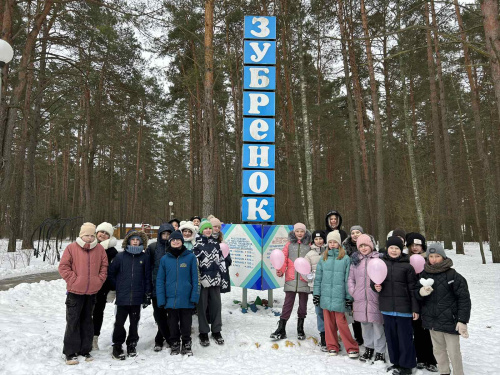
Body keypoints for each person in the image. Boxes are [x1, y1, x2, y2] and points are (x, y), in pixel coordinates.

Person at [416, 243, 471, 375]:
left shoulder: (453, 276)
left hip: (450, 321)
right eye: (431, 256)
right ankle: (444, 372)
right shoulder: (423, 274)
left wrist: (462, 320)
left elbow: (464, 299)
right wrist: (421, 293)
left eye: (437, 256)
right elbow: (416, 295)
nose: (433, 259)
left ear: (443, 257)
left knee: (454, 352)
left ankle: (458, 373)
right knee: (438, 351)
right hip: (432, 321)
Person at [59, 222, 108, 365]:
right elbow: (63, 267)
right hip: (75, 292)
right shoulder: (71, 248)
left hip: (91, 292)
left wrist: (99, 281)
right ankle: (70, 352)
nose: (89, 238)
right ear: (81, 235)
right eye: (87, 235)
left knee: (87, 321)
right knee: (73, 321)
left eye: (92, 235)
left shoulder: (99, 249)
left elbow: (104, 267)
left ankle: (85, 349)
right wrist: (74, 280)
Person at [372, 236, 419, 375]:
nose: (394, 250)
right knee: (391, 338)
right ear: (387, 248)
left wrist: (415, 309)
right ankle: (396, 362)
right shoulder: (381, 263)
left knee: (405, 338)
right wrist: (376, 287)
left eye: (397, 248)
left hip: (404, 309)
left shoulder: (407, 266)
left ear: (401, 249)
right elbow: (373, 281)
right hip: (387, 308)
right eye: (391, 248)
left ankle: (407, 365)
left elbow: (413, 289)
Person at [313, 230, 359, 358]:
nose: (332, 244)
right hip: (326, 296)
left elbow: (348, 279)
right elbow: (318, 278)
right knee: (328, 323)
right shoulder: (324, 258)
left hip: (339, 297)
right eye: (330, 242)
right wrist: (317, 294)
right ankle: (332, 345)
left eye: (335, 242)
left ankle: (351, 347)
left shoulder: (345, 259)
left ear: (339, 243)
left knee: (341, 323)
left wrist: (349, 297)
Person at [108, 230, 151, 360]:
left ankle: (132, 344)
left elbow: (147, 277)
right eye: (133, 239)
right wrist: (118, 286)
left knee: (134, 323)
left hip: (137, 298)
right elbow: (111, 273)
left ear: (141, 242)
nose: (135, 241)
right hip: (122, 298)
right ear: (128, 241)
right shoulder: (120, 257)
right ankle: (117, 345)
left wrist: (147, 292)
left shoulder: (145, 258)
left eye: (138, 240)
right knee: (119, 323)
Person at [156, 231, 200, 356]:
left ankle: (186, 343)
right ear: (170, 242)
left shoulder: (190, 257)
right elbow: (160, 280)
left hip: (186, 298)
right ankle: (174, 342)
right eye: (173, 240)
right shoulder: (165, 259)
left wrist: (194, 296)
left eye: (178, 240)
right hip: (170, 299)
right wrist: (161, 299)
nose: (176, 242)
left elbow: (196, 278)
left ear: (182, 242)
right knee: (172, 323)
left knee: (186, 324)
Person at [348, 234, 386, 363]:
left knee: (377, 325)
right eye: (361, 246)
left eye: (366, 245)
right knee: (365, 324)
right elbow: (350, 279)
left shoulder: (378, 259)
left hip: (375, 298)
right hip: (360, 299)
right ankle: (368, 348)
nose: (364, 248)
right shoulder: (355, 261)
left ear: (371, 246)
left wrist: (380, 290)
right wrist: (353, 292)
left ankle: (380, 351)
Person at [270, 223, 311, 341]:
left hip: (304, 280)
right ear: (294, 232)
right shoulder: (288, 245)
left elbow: (312, 260)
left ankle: (300, 328)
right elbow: (283, 259)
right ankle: (281, 328)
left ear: (305, 232)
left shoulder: (309, 245)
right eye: (297, 231)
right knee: (288, 304)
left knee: (303, 305)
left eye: (301, 231)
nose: (299, 233)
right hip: (291, 279)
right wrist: (281, 270)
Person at [406, 232, 438, 372]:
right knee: (417, 331)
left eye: (418, 245)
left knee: (429, 333)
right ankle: (420, 358)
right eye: (412, 245)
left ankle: (431, 360)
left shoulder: (429, 261)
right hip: (414, 302)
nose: (415, 247)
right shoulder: (406, 261)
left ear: (422, 246)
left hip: (429, 302)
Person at [193, 221, 226, 346]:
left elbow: (221, 261)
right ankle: (203, 332)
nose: (208, 230)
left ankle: (216, 330)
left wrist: (223, 277)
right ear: (201, 230)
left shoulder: (216, 244)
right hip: (202, 281)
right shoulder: (197, 245)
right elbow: (195, 265)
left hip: (216, 280)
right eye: (205, 229)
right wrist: (197, 280)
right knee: (202, 307)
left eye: (209, 229)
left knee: (216, 306)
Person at [145, 222, 174, 352]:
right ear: (159, 234)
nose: (166, 236)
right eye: (164, 234)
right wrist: (148, 286)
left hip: (172, 287)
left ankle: (159, 339)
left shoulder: (176, 247)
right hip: (156, 286)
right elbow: (147, 268)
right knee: (159, 315)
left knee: (170, 315)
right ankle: (168, 338)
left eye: (169, 234)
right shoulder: (152, 248)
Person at [92, 222, 119, 351]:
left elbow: (113, 272)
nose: (103, 234)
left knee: (97, 312)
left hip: (102, 288)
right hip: (85, 286)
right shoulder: (87, 246)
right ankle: (82, 337)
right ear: (96, 233)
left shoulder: (112, 252)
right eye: (101, 232)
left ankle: (94, 338)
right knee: (84, 313)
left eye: (106, 233)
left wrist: (111, 289)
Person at [305, 230, 327, 351]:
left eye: (321, 239)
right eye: (316, 239)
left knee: (329, 311)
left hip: (329, 287)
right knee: (319, 311)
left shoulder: (329, 252)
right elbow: (304, 270)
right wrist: (309, 277)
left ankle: (331, 334)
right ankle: (323, 335)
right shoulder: (309, 255)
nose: (319, 241)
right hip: (315, 288)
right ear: (313, 240)